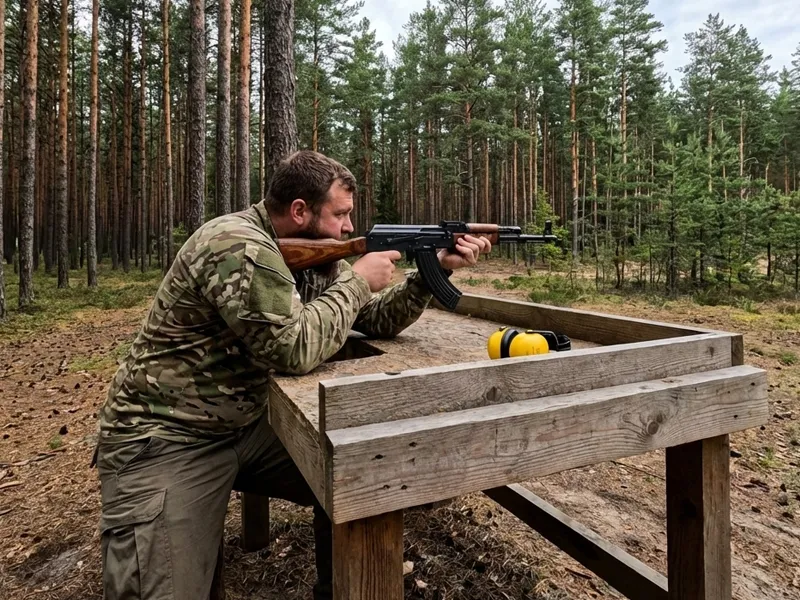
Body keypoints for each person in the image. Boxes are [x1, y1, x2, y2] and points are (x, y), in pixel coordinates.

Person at [93, 150, 491, 600]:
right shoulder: (237, 244)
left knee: (360, 474)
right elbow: (293, 348)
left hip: (246, 425)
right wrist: (358, 280)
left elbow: (371, 319)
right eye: (340, 214)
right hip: (166, 437)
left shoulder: (315, 256)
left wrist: (429, 275)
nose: (348, 227)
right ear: (300, 210)